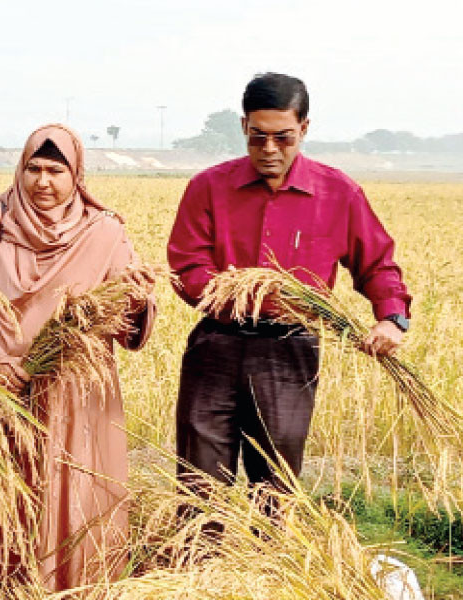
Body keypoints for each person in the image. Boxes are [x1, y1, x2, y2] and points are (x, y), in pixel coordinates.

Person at [167, 73, 412, 496]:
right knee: (199, 480)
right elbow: (187, 264)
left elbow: (377, 264)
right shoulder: (208, 187)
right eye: (257, 137)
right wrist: (235, 291)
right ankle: (199, 560)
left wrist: (391, 319)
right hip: (216, 347)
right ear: (244, 126)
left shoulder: (339, 193)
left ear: (304, 128)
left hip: (290, 350)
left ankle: (273, 561)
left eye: (283, 138)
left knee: (275, 483)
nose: (268, 150)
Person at [0, 124, 156, 590]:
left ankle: (71, 586)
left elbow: (126, 315)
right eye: (33, 169)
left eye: (55, 170)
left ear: (76, 175)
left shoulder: (104, 231)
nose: (42, 181)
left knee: (73, 494)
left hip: (74, 392)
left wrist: (137, 300)